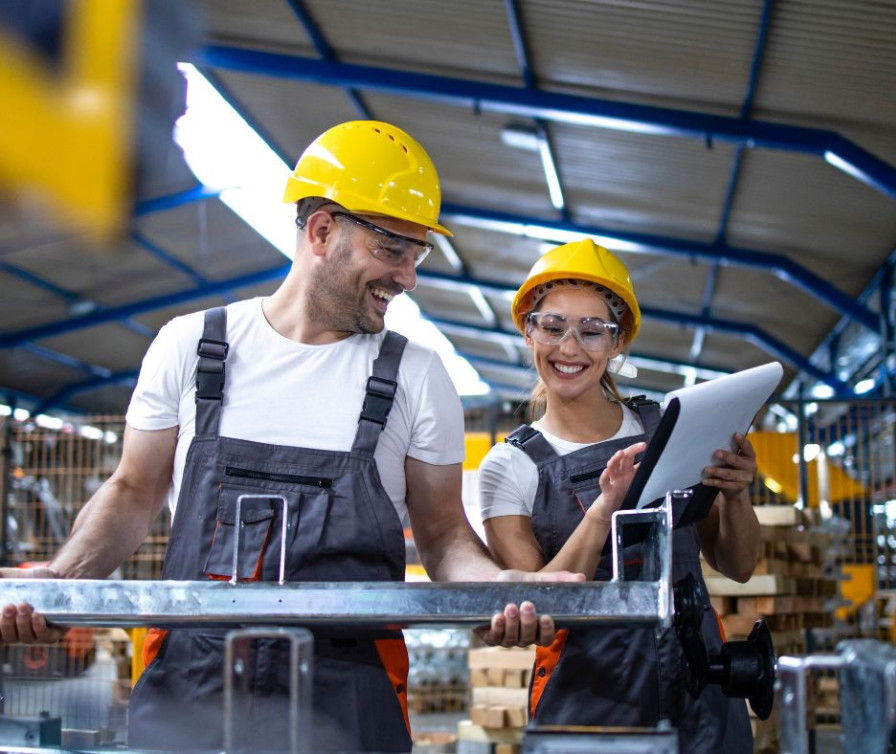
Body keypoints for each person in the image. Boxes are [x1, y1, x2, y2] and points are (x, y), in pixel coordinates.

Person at [0, 120, 581, 753]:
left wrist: (496, 589)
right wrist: (61, 581)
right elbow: (133, 490)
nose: (408, 277)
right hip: (193, 682)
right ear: (323, 231)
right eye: (393, 250)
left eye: (418, 255)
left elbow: (442, 536)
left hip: (347, 692)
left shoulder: (415, 374)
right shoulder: (193, 346)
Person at [477, 238, 761, 753]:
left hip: (702, 689)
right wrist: (603, 510)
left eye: (592, 332)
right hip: (586, 700)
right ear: (527, 330)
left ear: (617, 342)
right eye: (552, 326)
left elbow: (738, 566)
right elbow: (538, 606)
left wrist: (737, 494)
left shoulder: (668, 426)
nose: (569, 348)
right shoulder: (509, 467)